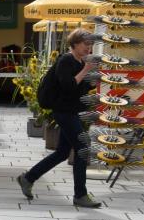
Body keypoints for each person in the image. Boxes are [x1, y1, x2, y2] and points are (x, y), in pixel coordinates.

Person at [17, 30, 103, 208]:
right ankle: (80, 195)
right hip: (63, 112)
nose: (88, 47)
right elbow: (68, 86)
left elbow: (80, 90)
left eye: (90, 44)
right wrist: (86, 70)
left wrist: (93, 80)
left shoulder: (80, 63)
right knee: (82, 149)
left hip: (71, 111)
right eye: (85, 44)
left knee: (63, 152)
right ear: (75, 44)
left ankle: (28, 178)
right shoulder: (66, 60)